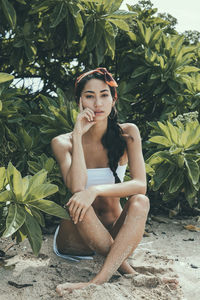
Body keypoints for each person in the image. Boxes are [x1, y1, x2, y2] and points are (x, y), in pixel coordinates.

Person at [51, 67, 150, 295]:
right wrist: (77, 134)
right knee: (78, 200)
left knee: (140, 202)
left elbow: (140, 185)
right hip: (76, 240)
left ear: (113, 99)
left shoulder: (128, 133)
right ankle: (126, 271)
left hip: (116, 236)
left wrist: (94, 190)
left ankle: (100, 278)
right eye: (89, 96)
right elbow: (77, 187)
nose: (98, 103)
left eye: (104, 95)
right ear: (79, 101)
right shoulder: (62, 142)